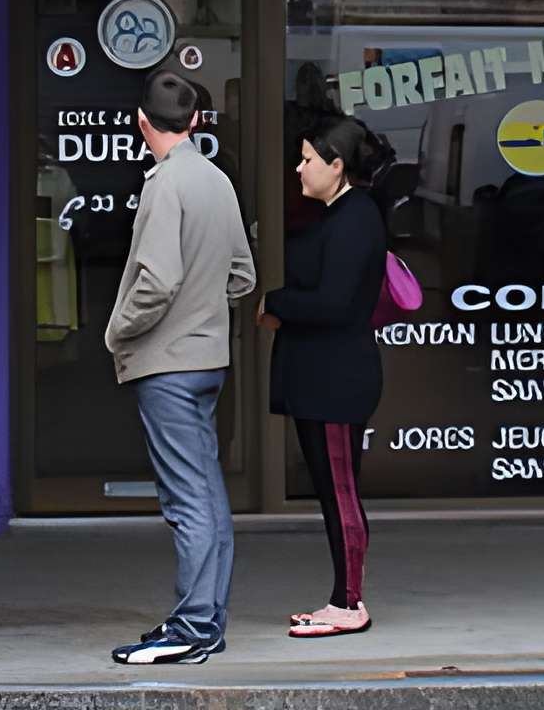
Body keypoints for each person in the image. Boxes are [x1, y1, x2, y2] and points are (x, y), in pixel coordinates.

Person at [104, 69, 255, 666]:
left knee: (187, 501)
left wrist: (117, 330)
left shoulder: (166, 185)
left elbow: (156, 282)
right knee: (209, 497)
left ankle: (192, 628)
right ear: (195, 122)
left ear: (142, 121)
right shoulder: (217, 179)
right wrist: (204, 308)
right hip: (208, 358)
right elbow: (242, 276)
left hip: (167, 365)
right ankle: (206, 621)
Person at [261, 106, 390, 636]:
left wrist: (276, 301)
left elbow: (336, 304)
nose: (299, 168)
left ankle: (349, 603)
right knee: (333, 491)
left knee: (341, 494)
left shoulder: (356, 219)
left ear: (336, 165)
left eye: (308, 159)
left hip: (338, 381)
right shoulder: (339, 216)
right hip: (322, 379)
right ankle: (342, 597)